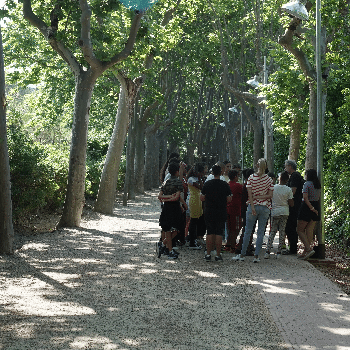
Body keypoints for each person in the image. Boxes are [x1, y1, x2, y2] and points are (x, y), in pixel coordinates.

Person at [232, 158, 274, 263]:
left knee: (247, 231)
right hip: (265, 207)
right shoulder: (269, 180)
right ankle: (256, 256)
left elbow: (250, 194)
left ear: (257, 165)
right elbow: (270, 195)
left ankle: (242, 255)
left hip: (252, 206)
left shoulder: (251, 177)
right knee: (260, 233)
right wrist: (261, 197)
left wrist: (254, 203)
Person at [201, 165, 232, 262]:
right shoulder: (225, 184)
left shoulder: (207, 184)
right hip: (221, 210)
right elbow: (229, 198)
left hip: (209, 210)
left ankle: (208, 254)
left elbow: (202, 197)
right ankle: (218, 255)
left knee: (209, 232)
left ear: (212, 173)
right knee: (219, 232)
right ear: (221, 172)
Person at [264, 171, 294, 259]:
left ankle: (267, 251)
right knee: (282, 231)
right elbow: (291, 203)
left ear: (279, 178)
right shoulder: (288, 190)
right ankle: (279, 252)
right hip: (284, 212)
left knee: (272, 231)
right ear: (287, 180)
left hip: (275, 212)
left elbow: (269, 198)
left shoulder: (273, 188)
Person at [158, 163, 184, 259]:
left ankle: (165, 246)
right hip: (175, 208)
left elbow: (160, 196)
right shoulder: (178, 183)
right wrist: (170, 197)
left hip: (167, 208)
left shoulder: (166, 182)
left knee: (168, 230)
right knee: (177, 228)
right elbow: (176, 197)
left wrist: (165, 199)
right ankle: (169, 249)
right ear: (177, 171)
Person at [296, 169, 321, 260]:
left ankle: (308, 248)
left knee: (299, 230)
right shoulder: (318, 185)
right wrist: (315, 209)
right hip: (316, 205)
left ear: (308, 175)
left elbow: (305, 198)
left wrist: (311, 208)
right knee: (309, 230)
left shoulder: (307, 184)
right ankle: (306, 251)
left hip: (307, 207)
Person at [284, 160, 304, 255]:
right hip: (294, 205)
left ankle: (293, 248)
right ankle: (292, 247)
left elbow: (293, 191)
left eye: (286, 166)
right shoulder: (293, 176)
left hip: (294, 206)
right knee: (289, 227)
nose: (285, 168)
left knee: (290, 227)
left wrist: (286, 199)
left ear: (290, 166)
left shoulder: (295, 176)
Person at [187, 163, 206, 249]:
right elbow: (201, 187)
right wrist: (199, 178)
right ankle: (191, 241)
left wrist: (200, 178)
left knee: (198, 221)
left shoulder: (198, 178)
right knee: (193, 221)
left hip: (199, 200)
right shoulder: (191, 179)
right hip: (194, 200)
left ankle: (195, 239)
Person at [225, 170, 243, 253]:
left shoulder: (227, 184)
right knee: (235, 229)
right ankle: (232, 246)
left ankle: (228, 245)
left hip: (227, 209)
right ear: (235, 177)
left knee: (229, 228)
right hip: (235, 210)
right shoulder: (238, 186)